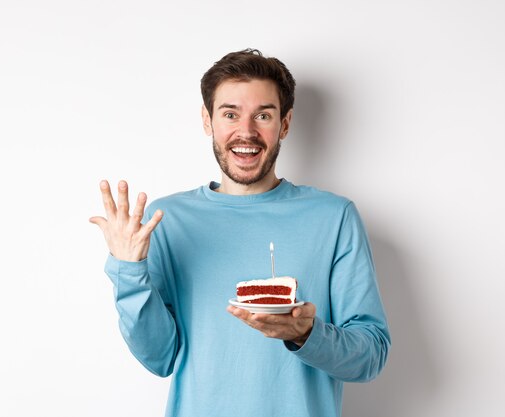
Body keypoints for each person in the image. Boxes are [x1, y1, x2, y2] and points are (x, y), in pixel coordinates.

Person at [90, 49, 390, 417]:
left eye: (263, 115)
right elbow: (160, 359)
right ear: (207, 120)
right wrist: (128, 271)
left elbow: (371, 356)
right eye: (230, 114)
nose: (246, 132)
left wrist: (306, 334)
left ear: (285, 123)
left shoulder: (334, 218)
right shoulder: (166, 220)